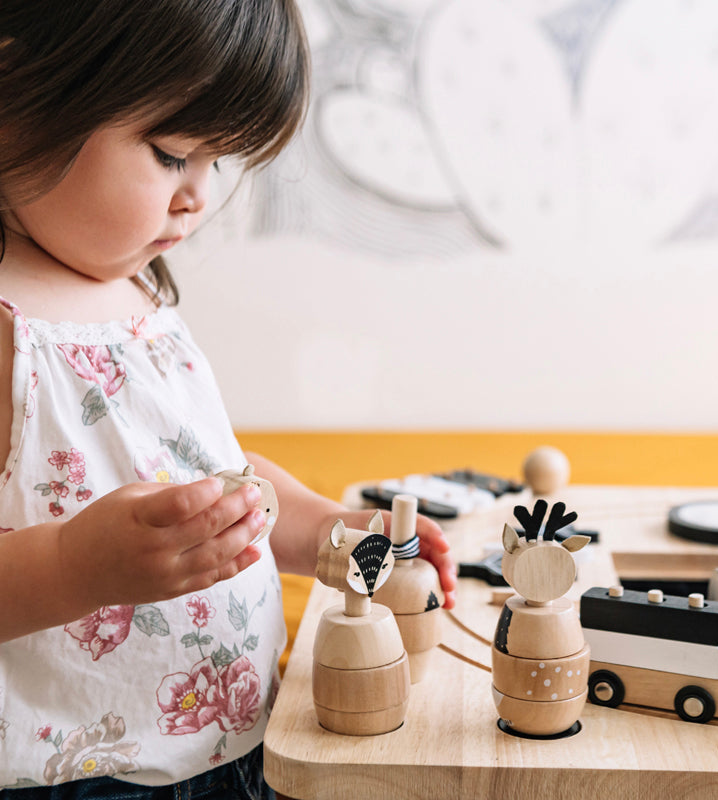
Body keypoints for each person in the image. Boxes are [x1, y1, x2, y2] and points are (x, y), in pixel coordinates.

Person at [0, 1, 457, 797]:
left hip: (246, 747)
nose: (199, 198)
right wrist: (77, 566)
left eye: (218, 162)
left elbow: (211, 472)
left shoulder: (134, 295)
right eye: (173, 153)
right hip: (82, 777)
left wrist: (327, 529)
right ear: (12, 88)